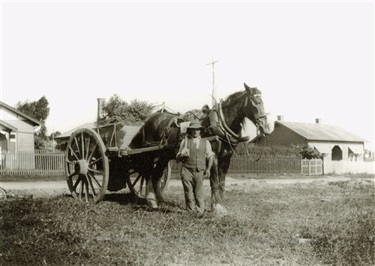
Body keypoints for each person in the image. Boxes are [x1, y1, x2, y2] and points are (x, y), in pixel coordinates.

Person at [176, 120, 215, 214]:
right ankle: (190, 211)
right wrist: (182, 154)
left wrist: (208, 169)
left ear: (200, 131)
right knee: (188, 192)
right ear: (190, 131)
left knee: (199, 192)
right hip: (186, 170)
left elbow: (211, 156)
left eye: (198, 130)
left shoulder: (205, 142)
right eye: (193, 130)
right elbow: (177, 158)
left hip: (199, 170)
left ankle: (200, 211)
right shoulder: (185, 142)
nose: (196, 132)